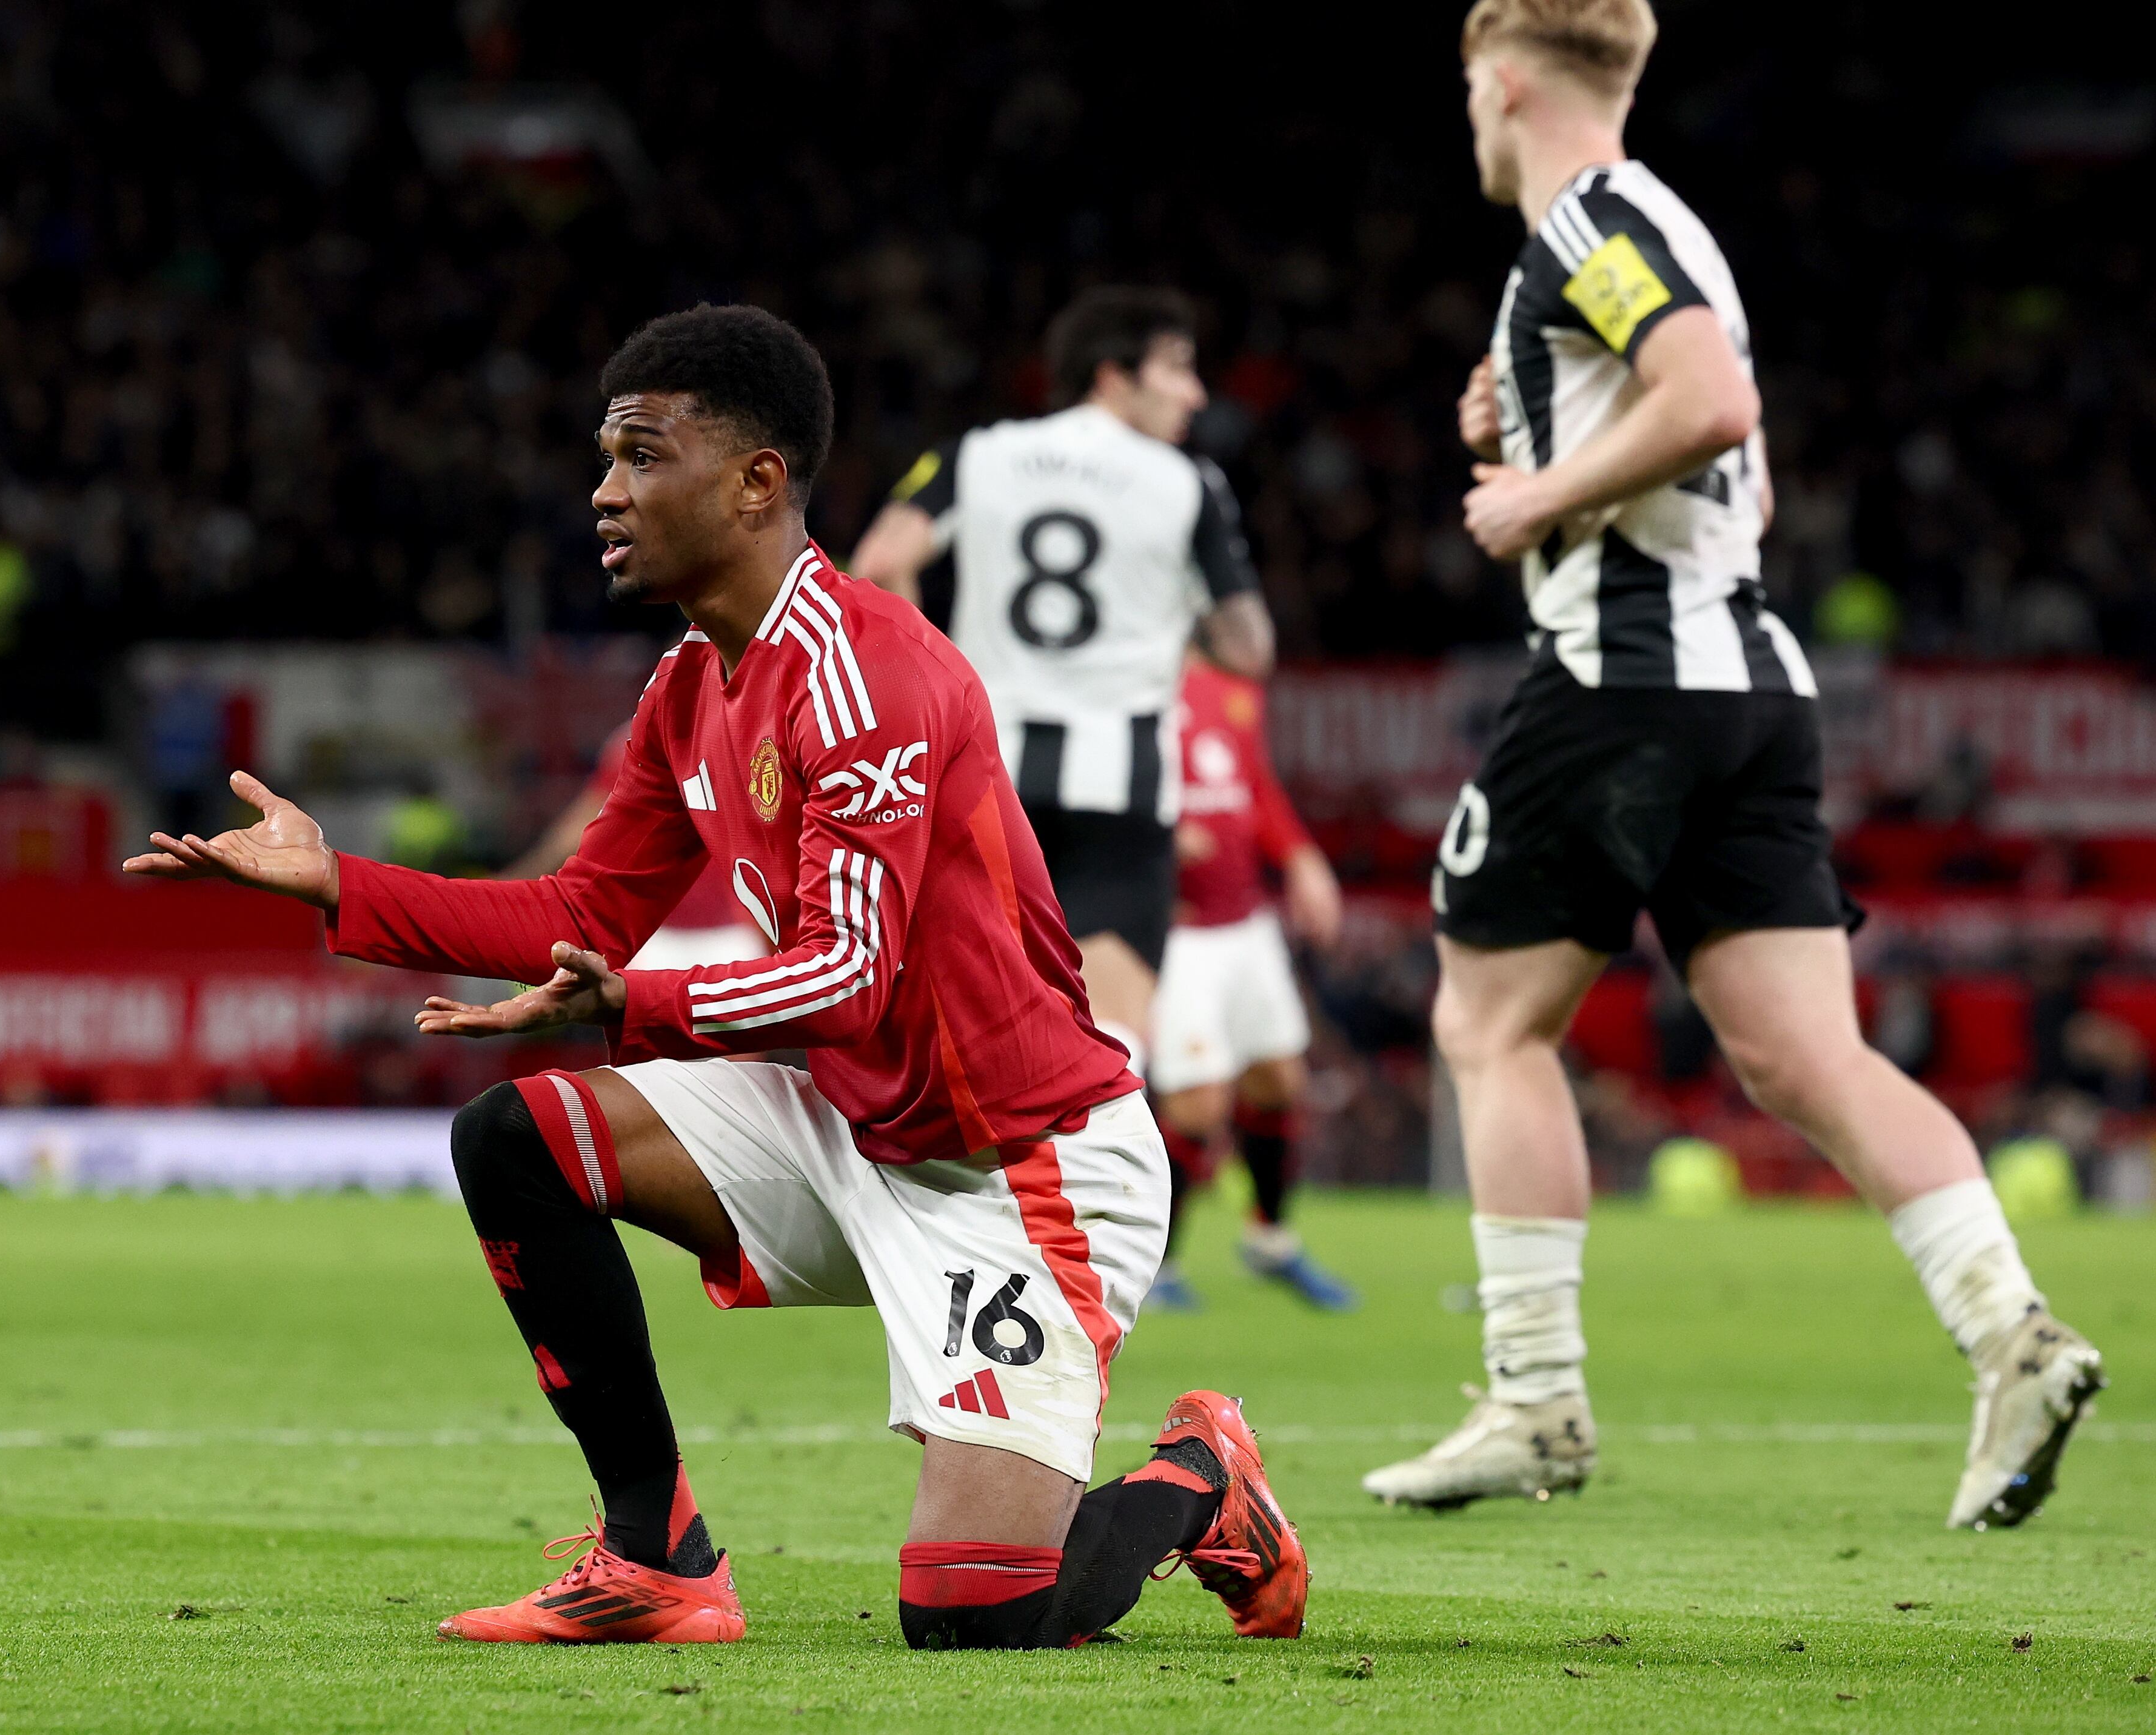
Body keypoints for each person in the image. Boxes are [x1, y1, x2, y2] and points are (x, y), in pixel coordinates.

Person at [127, 304, 1307, 1648]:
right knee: (520, 1139)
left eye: (640, 455)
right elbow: (581, 906)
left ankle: (1201, 1472)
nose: (604, 489)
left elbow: (848, 974)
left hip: (1019, 1166)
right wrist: (340, 882)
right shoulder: (695, 681)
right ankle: (655, 1559)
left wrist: (629, 1003)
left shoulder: (868, 674)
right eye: (604, 456)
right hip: (853, 1123)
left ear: (756, 481)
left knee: (975, 1615)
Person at [1363, 0, 2103, 1527]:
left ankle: (1531, 1395)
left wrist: (1536, 494)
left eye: (1462, 89)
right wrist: (1546, 409)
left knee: (1488, 1020)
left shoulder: (1589, 220)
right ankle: (2006, 1330)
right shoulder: (1657, 233)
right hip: (1749, 685)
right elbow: (1729, 473)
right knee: (1800, 1055)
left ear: (1498, 82)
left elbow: (1710, 402)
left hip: (1621, 682)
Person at [849, 287, 1274, 1079]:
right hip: (1121, 790)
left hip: (986, 778)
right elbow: (1249, 646)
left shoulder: (977, 453)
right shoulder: (1186, 482)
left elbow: (877, 563)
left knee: (978, 1018)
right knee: (1112, 1037)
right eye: (1178, 370)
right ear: (1113, 376)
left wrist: (935, 688)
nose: (1196, 395)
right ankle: (1091, 1190)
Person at [1146, 651, 1356, 1313]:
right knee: (1198, 1103)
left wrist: (1300, 860)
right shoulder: (1120, 690)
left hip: (1246, 922)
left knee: (1277, 1080)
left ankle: (1269, 1239)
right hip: (1175, 932)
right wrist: (1155, 837)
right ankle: (1156, 1266)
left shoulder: (1229, 690)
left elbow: (1254, 787)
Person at [509, 717, 771, 974]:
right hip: (659, 939)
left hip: (729, 936)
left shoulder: (750, 729)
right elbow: (590, 822)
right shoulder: (643, 733)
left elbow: (585, 826)